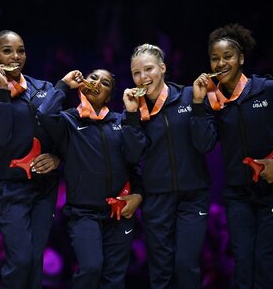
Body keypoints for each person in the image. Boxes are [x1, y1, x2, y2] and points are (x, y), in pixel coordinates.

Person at [37, 68, 143, 287]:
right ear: (83, 84)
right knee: (91, 268)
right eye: (93, 78)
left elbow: (135, 157)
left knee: (114, 278)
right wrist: (64, 84)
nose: (97, 83)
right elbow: (45, 113)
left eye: (105, 83)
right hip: (84, 213)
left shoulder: (120, 121)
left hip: (120, 212)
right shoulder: (68, 121)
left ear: (109, 96)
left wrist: (139, 195)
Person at [0, 30, 60, 288]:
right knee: (20, 260)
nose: (15, 56)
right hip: (11, 189)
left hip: (45, 187)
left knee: (34, 260)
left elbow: (62, 134)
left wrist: (56, 157)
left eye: (20, 50)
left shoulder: (44, 88)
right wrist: (2, 91)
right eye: (7, 50)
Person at [191, 23, 273, 288]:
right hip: (238, 194)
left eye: (227, 56)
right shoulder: (213, 102)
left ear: (241, 58)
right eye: (215, 58)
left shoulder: (266, 89)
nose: (221, 63)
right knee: (242, 261)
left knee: (265, 262)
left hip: (271, 190)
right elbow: (204, 144)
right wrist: (198, 104)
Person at [127, 43, 212, 289]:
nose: (143, 77)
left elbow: (205, 143)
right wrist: (131, 117)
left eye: (149, 69)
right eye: (136, 73)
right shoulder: (135, 109)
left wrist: (197, 105)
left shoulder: (188, 95)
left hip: (193, 196)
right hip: (156, 200)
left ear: (163, 68)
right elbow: (133, 155)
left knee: (186, 266)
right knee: (161, 271)